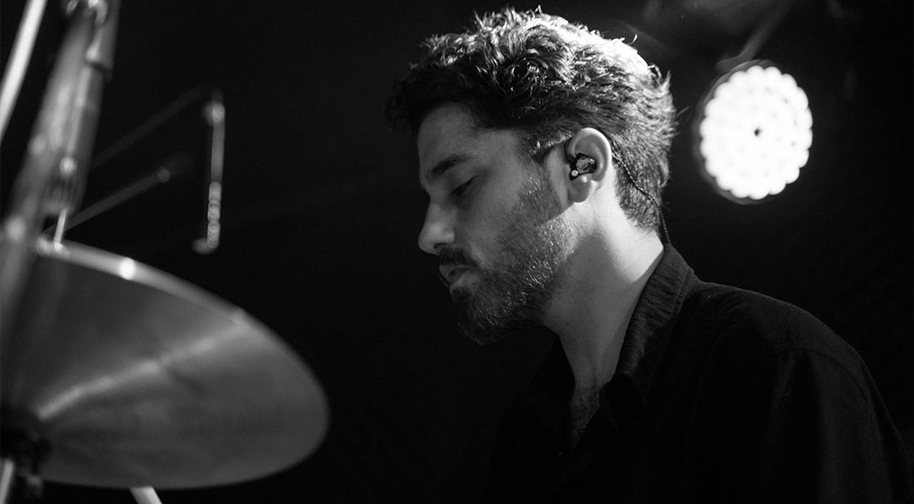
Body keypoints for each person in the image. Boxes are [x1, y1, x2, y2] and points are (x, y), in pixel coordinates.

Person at [385, 7, 914, 503]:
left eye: (461, 186)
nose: (430, 235)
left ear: (582, 164)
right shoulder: (524, 436)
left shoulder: (778, 368)